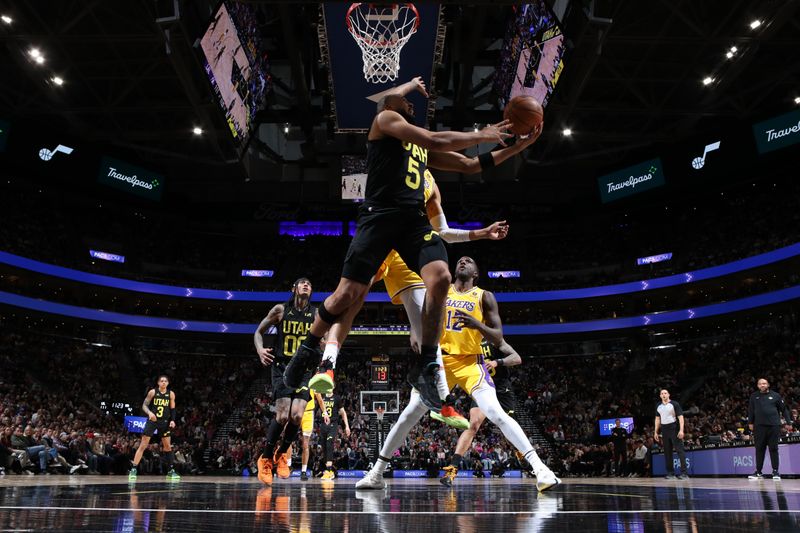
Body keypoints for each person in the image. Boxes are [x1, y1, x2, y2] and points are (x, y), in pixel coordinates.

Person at [282, 76, 517, 411]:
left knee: (442, 278)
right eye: (407, 103)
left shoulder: (419, 152)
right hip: (379, 217)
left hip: (410, 221)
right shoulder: (386, 120)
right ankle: (309, 351)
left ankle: (426, 366)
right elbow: (432, 136)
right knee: (347, 295)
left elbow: (469, 164)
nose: (411, 106)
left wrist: (518, 146)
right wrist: (481, 133)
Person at [357, 256, 560, 493]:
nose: (463, 261)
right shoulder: (442, 289)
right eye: (460, 260)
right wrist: (414, 330)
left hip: (470, 364)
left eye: (469, 261)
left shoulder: (484, 296)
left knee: (496, 412)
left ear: (476, 273)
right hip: (440, 361)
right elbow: (423, 313)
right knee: (408, 415)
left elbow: (498, 336)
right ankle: (376, 473)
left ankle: (541, 469)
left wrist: (478, 324)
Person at [253, 277, 318, 485]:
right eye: (302, 283)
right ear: (294, 288)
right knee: (282, 417)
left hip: (304, 369)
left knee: (297, 416)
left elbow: (324, 339)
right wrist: (260, 349)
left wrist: (326, 352)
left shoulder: (316, 314)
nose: (306, 285)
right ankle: (265, 457)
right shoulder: (281, 310)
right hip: (282, 367)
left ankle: (281, 454)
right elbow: (258, 332)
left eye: (309, 283)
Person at [437, 338, 523, 485]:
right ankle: (453, 468)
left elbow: (517, 358)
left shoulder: (494, 339)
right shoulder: (466, 342)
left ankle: (525, 456)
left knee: (509, 423)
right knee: (473, 425)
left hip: (501, 387)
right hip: (481, 386)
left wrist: (497, 362)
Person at [128, 375, 180, 481]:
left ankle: (170, 471)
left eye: (165, 381)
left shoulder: (171, 394)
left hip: (164, 423)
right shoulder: (152, 392)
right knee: (143, 445)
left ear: (168, 383)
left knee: (167, 447)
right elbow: (144, 405)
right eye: (162, 381)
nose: (164, 382)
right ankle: (133, 469)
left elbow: (173, 409)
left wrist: (173, 420)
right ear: (158, 383)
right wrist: (150, 413)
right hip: (152, 421)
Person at [747, 378, 793, 480]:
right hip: (759, 427)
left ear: (768, 384)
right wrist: (750, 422)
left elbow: (784, 409)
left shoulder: (776, 395)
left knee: (773, 448)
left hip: (773, 426)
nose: (762, 385)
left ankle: (775, 472)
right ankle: (758, 472)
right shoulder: (754, 396)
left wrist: (788, 422)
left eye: (764, 383)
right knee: (759, 449)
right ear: (758, 386)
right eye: (760, 384)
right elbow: (751, 410)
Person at [653, 389, 688, 480]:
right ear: (660, 396)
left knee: (679, 450)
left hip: (674, 428)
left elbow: (680, 417)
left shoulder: (674, 404)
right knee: (667, 452)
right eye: (662, 393)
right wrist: (655, 432)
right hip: (664, 430)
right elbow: (657, 419)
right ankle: (670, 473)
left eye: (665, 393)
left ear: (669, 394)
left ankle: (684, 473)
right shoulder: (658, 406)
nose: (663, 395)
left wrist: (681, 430)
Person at [319, 391, 350, 480]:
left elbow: (343, 412)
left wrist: (347, 426)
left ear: (333, 387)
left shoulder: (337, 398)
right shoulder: (321, 397)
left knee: (329, 442)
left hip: (333, 424)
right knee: (324, 447)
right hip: (323, 424)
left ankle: (329, 471)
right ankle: (328, 470)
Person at [299, 390, 324, 481]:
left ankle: (303, 471)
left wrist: (324, 413)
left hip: (308, 413)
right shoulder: (295, 380)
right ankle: (288, 465)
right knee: (287, 438)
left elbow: (320, 399)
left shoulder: (313, 383)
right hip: (296, 411)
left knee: (305, 444)